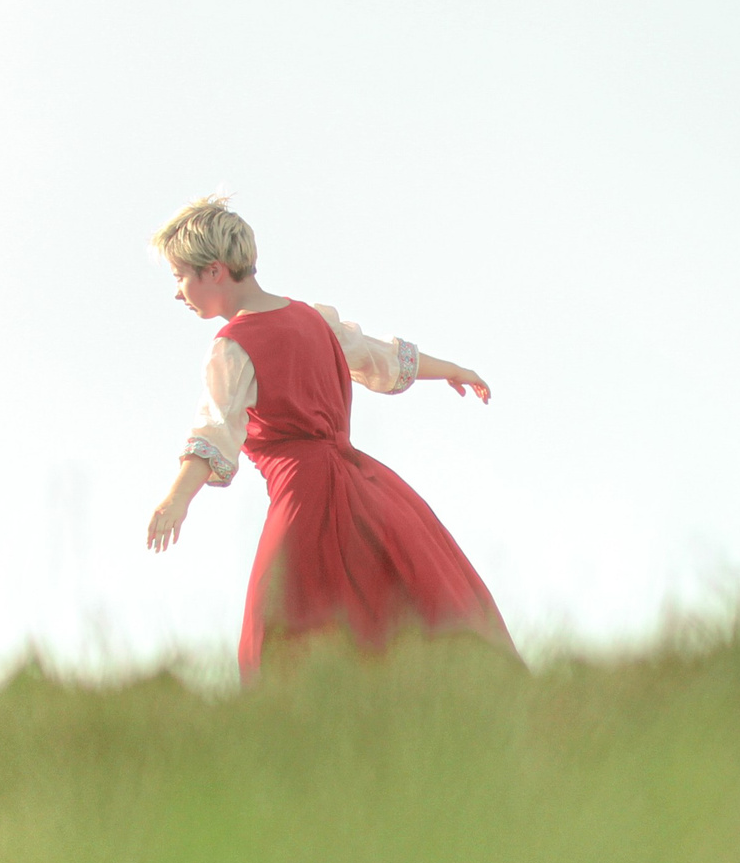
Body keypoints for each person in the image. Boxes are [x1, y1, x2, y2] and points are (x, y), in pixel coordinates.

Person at [144, 194, 513, 676]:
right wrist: (453, 369)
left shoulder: (232, 348)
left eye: (180, 277)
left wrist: (176, 499)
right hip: (367, 486)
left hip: (305, 497)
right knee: (393, 595)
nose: (178, 292)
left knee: (279, 624)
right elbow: (379, 356)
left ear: (214, 271)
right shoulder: (315, 321)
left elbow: (214, 430)